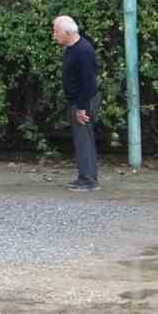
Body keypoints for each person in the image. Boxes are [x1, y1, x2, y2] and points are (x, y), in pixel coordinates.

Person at [53, 15, 100, 192]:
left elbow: (88, 83)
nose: (54, 35)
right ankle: (85, 177)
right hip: (78, 101)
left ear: (68, 32)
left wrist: (81, 108)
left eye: (56, 31)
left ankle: (88, 180)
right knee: (82, 140)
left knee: (84, 140)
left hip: (84, 101)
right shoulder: (71, 48)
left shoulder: (83, 51)